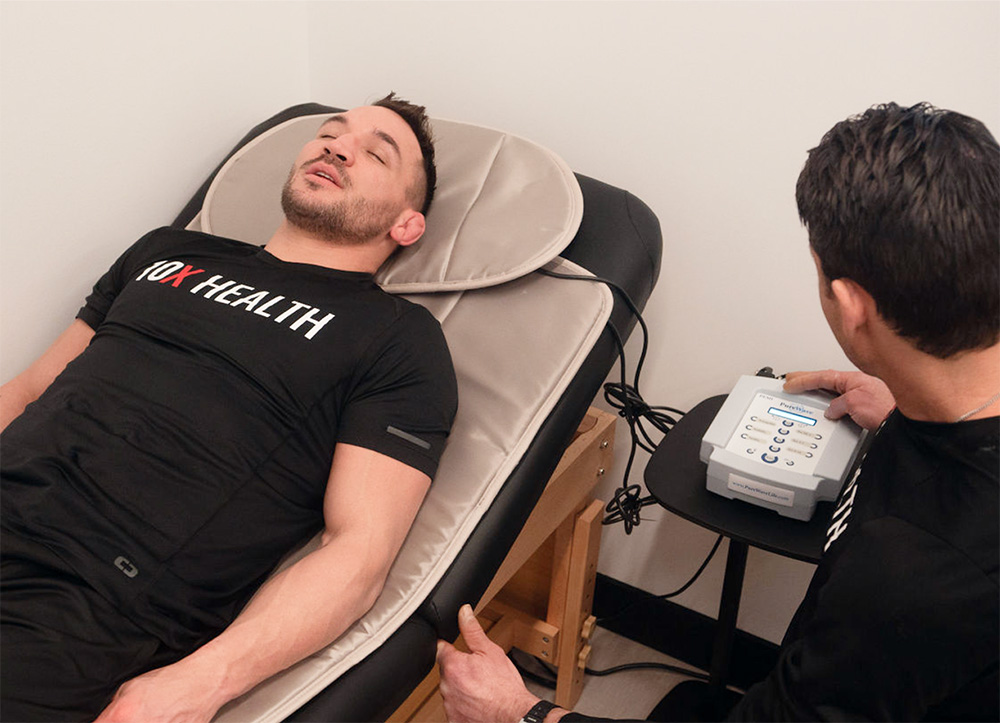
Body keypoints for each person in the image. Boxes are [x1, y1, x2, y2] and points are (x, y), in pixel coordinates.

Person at [436, 101, 999, 722]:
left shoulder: (912, 579)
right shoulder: (950, 414)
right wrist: (901, 406)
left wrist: (519, 714)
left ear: (849, 304)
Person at [1, 93, 458, 722]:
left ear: (406, 225)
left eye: (376, 153)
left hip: (85, 593)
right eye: (331, 133)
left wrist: (199, 683)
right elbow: (31, 390)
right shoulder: (164, 251)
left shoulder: (397, 339)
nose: (337, 146)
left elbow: (358, 550)